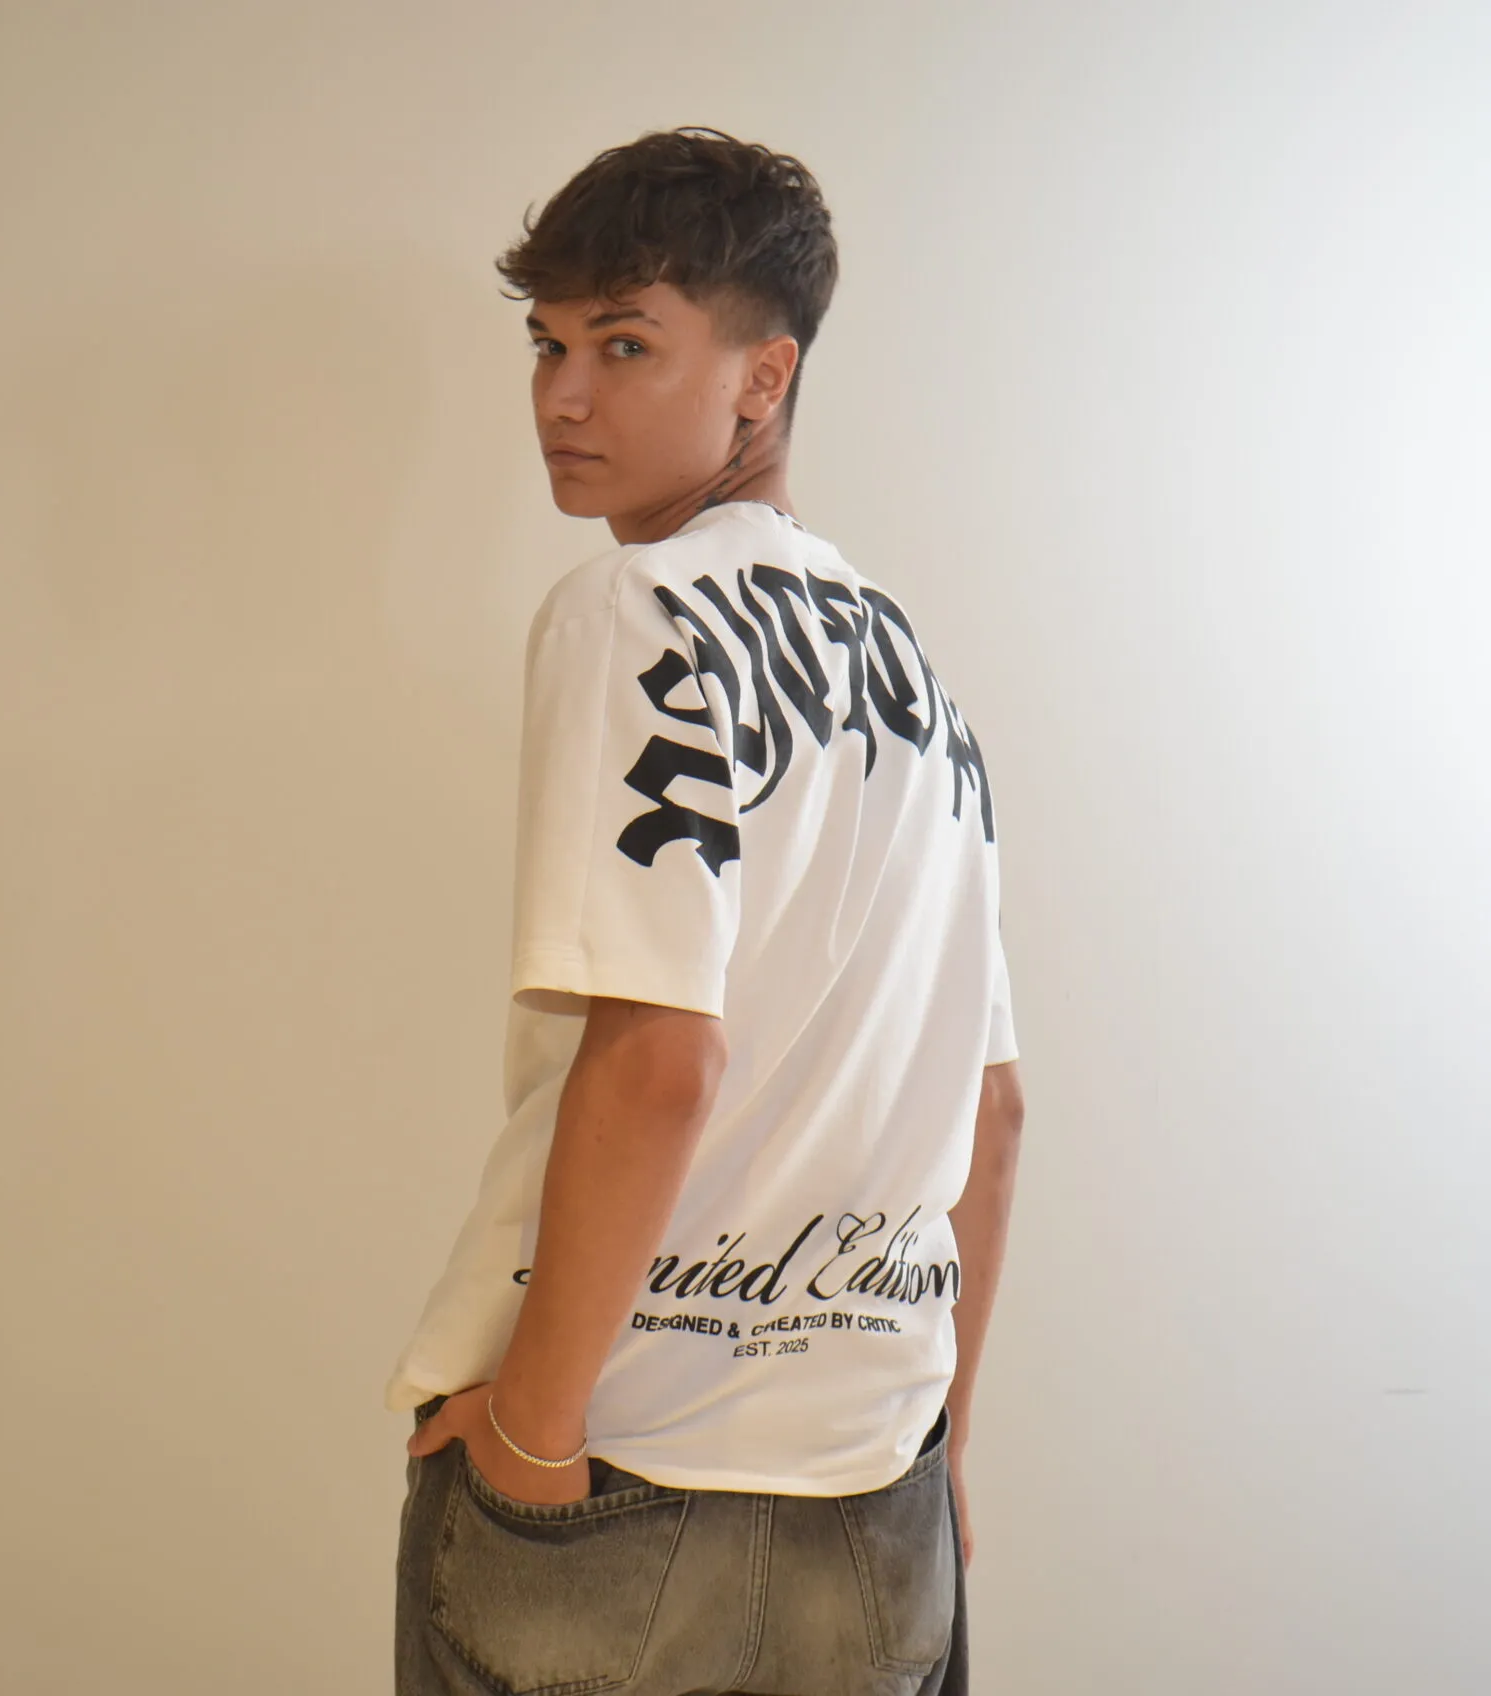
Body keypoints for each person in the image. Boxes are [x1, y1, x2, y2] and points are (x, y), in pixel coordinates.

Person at [384, 126, 1028, 1696]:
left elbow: (662, 1059)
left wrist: (534, 1431)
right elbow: (995, 1111)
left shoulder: (636, 608)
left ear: (763, 378)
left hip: (622, 1475)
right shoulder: (919, 680)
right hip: (873, 1503)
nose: (563, 395)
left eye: (624, 344)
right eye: (547, 345)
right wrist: (941, 1446)